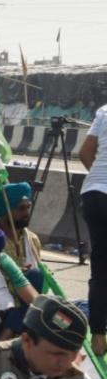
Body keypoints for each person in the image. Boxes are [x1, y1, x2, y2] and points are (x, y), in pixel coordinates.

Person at [80, 109, 107, 356]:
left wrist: (100, 179)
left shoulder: (103, 110)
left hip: (93, 193)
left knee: (100, 268)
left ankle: (98, 337)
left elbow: (85, 152)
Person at [0, 182, 45, 292]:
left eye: (28, 207)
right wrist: (13, 274)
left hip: (27, 297)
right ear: (5, 211)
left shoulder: (32, 239)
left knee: (36, 274)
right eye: (21, 208)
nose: (27, 213)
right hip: (0, 299)